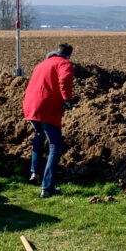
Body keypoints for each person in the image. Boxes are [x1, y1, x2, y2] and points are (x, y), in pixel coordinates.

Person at [23, 43, 75, 198]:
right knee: (55, 147)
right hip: (46, 108)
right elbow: (65, 78)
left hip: (31, 106)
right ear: (69, 55)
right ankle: (47, 187)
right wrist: (67, 99)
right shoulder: (65, 63)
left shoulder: (42, 64)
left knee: (39, 136)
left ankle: (34, 173)